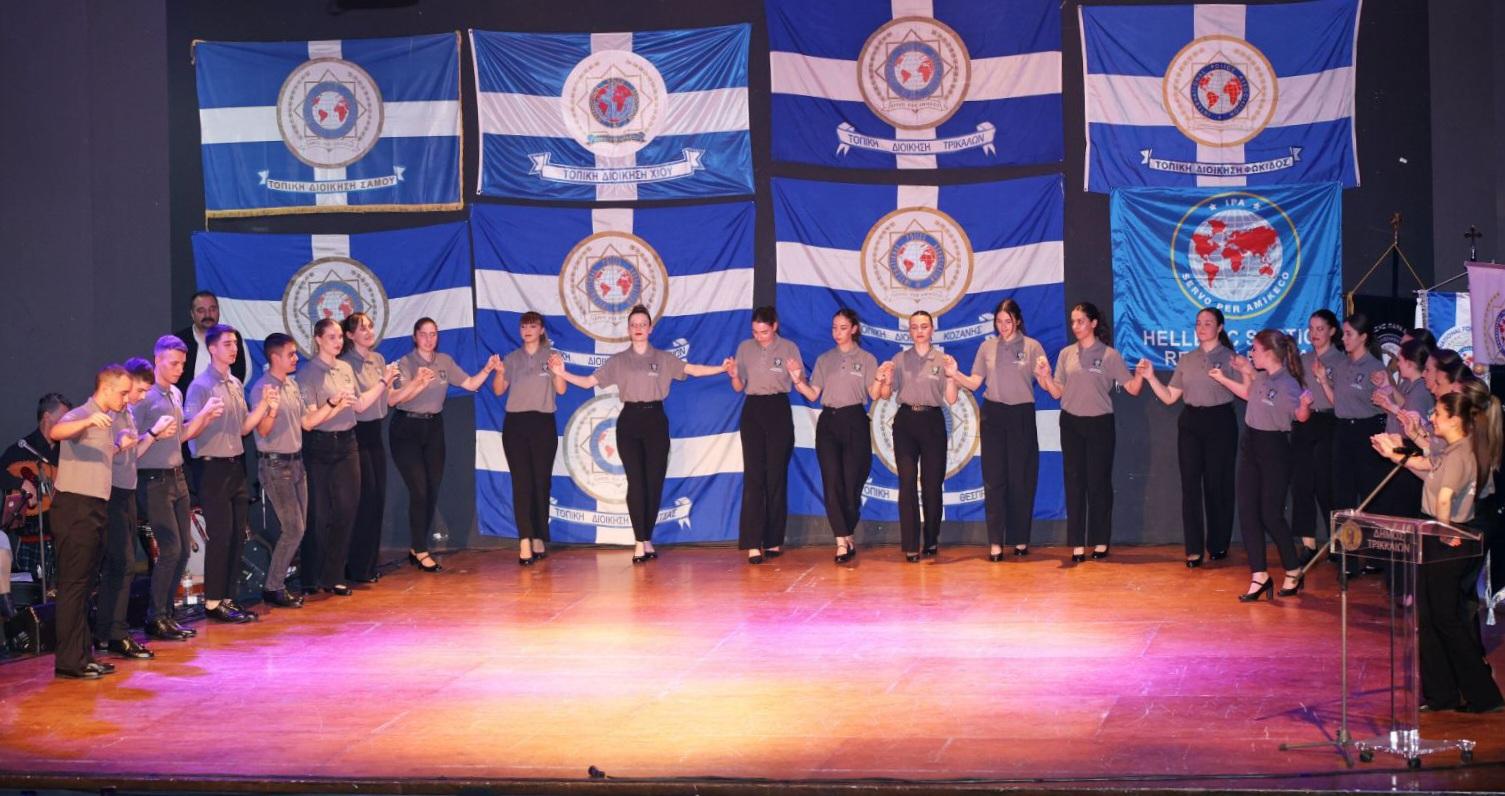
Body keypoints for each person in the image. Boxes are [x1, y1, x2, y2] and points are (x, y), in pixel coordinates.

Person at [550, 305, 732, 563]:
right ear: (628, 329)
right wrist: (562, 373)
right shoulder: (618, 361)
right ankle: (638, 541)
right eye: (634, 325)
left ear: (650, 328)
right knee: (636, 482)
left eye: (642, 324)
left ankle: (647, 538)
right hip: (630, 423)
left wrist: (721, 369)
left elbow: (693, 370)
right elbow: (589, 382)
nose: (638, 328)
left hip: (656, 421)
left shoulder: (663, 358)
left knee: (654, 484)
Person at [1372, 392, 1505, 713]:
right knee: (1431, 618)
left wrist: (1443, 532)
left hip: (1447, 541)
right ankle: (1441, 694)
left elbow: (1445, 497)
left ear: (1455, 420)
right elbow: (1431, 472)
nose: (1431, 418)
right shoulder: (1456, 449)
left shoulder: (1461, 453)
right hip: (1442, 537)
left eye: (1437, 414)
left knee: (1445, 619)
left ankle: (1483, 696)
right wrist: (1396, 455)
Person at [1034, 302, 1146, 562]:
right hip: (1071, 424)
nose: (1075, 326)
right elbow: (1057, 392)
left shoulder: (1109, 355)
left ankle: (1100, 541)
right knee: (1074, 483)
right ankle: (1077, 544)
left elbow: (1132, 388)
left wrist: (1141, 374)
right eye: (1073, 321)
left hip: (1099, 425)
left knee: (1098, 483)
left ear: (1093, 323)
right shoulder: (1066, 354)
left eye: (1081, 321)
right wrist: (1046, 377)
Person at [389, 317, 500, 572]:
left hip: (433, 427)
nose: (429, 339)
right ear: (415, 337)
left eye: (433, 334)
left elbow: (470, 384)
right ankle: (421, 549)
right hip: (406, 428)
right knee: (419, 490)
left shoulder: (444, 361)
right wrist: (418, 382)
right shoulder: (405, 363)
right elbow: (395, 400)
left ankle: (417, 546)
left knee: (431, 488)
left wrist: (487, 369)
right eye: (424, 334)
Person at [1210, 331, 1313, 602]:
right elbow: (1247, 393)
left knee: (1271, 514)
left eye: (1255, 349)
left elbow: (1300, 416)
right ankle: (1259, 575)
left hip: (1274, 449)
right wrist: (1224, 379)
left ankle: (1293, 569)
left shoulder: (1288, 383)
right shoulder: (1262, 377)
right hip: (1250, 445)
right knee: (1247, 512)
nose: (1251, 353)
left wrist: (1305, 406)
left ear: (1268, 353)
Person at [47, 365, 132, 678]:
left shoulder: (105, 420)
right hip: (75, 508)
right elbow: (56, 432)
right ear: (106, 388)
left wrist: (119, 445)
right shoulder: (83, 414)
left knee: (85, 586)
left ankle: (82, 656)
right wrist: (87, 420)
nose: (126, 399)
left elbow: (95, 455)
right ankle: (69, 662)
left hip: (94, 508)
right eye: (123, 393)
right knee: (73, 586)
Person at [301, 318, 395, 597]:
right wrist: (333, 405)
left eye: (340, 337)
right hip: (319, 446)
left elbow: (361, 404)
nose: (338, 342)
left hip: (348, 443)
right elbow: (309, 421)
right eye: (331, 337)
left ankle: (335, 575)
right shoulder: (308, 373)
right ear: (318, 339)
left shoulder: (344, 368)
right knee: (319, 515)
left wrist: (384, 382)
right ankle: (311, 577)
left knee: (347, 510)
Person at [1141, 307, 1240, 568]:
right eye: (1198, 323)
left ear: (1219, 327)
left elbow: (1246, 391)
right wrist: (1151, 377)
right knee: (1190, 486)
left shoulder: (1231, 358)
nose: (1202, 327)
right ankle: (1193, 549)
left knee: (1217, 485)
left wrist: (1232, 377)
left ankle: (1218, 544)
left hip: (1220, 422)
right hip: (1191, 423)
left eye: (1208, 323)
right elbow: (1170, 397)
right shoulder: (1187, 359)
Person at [184, 324, 269, 623]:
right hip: (212, 467)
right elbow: (189, 431)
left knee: (236, 535)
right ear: (212, 348)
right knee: (220, 535)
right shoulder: (200, 386)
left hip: (235, 465)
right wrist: (205, 414)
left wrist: (264, 406)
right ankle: (213, 601)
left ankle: (229, 598)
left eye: (235, 344)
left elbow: (243, 428)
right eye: (227, 344)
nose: (233, 349)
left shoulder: (234, 383)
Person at [92, 358, 175, 661]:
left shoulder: (126, 412)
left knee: (122, 565)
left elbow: (133, 454)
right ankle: (115, 633)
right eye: (137, 390)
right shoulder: (109, 414)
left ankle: (107, 633)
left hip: (126, 492)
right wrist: (120, 445)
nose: (139, 397)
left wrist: (151, 436)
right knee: (122, 564)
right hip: (111, 494)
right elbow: (102, 454)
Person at [134, 336, 215, 641]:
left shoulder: (176, 394)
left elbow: (179, 435)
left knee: (181, 551)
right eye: (174, 363)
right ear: (157, 360)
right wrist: (153, 433)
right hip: (153, 479)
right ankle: (156, 617)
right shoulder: (144, 396)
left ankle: (166, 613)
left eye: (182, 363)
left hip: (177, 476)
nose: (180, 369)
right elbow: (130, 443)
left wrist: (204, 416)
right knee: (169, 548)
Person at [954, 298, 1048, 561]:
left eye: (1008, 321)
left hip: (1021, 415)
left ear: (1017, 320)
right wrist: (954, 373)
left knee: (1021, 479)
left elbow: (1044, 382)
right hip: (993, 415)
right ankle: (995, 542)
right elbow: (974, 383)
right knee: (994, 479)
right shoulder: (987, 347)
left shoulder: (1032, 346)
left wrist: (1045, 374)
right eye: (999, 321)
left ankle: (1020, 539)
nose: (1003, 326)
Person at [792, 308, 881, 564]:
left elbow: (874, 394)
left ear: (854, 329)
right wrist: (798, 381)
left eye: (843, 328)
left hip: (855, 420)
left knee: (852, 484)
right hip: (828, 423)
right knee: (831, 482)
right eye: (834, 328)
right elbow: (813, 394)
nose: (837, 333)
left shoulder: (866, 358)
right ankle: (841, 540)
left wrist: (880, 378)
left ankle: (848, 532)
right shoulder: (825, 359)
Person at [873, 310, 961, 562]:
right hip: (905, 423)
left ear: (932, 329)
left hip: (932, 422)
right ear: (909, 331)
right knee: (908, 482)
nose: (919, 331)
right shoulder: (899, 359)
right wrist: (886, 380)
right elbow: (885, 395)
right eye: (914, 327)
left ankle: (931, 539)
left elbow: (951, 399)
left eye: (924, 326)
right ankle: (911, 545)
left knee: (932, 485)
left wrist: (951, 376)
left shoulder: (943, 359)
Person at [1312, 313, 1388, 575]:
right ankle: (1348, 559)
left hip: (1367, 431)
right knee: (1342, 496)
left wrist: (1385, 388)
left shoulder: (1375, 367)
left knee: (1369, 495)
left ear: (1363, 337)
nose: (1343, 339)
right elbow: (1338, 403)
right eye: (1343, 333)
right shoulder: (1343, 365)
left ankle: (1376, 557)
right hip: (1342, 431)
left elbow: (1384, 405)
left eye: (1348, 334)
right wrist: (1323, 380)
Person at [727, 306, 804, 565]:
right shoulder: (745, 348)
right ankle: (752, 543)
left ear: (775, 326)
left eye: (764, 331)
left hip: (778, 409)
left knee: (776, 477)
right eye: (755, 332)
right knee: (754, 477)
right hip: (753, 409)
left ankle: (773, 540)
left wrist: (796, 375)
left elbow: (800, 382)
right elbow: (738, 387)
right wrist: (734, 375)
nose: (759, 336)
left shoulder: (789, 348)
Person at [494, 311, 564, 566]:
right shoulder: (512, 358)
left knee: (541, 483)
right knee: (521, 483)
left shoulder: (552, 356)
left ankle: (538, 536)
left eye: (532, 326)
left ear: (541, 330)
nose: (527, 330)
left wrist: (558, 371)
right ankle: (524, 539)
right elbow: (498, 390)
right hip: (516, 425)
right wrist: (499, 372)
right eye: (524, 326)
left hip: (543, 423)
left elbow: (561, 389)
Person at [251, 333, 307, 608]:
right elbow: (261, 430)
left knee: (300, 527)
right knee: (293, 529)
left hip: (297, 462)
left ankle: (278, 582)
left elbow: (305, 420)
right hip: (275, 464)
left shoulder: (292, 385)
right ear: (274, 357)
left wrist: (333, 406)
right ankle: (273, 587)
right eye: (291, 354)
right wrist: (271, 409)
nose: (296, 358)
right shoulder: (262, 388)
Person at [339, 312, 393, 585]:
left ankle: (369, 564)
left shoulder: (378, 359)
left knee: (377, 500)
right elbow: (359, 404)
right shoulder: (345, 364)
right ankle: (355, 565)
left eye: (370, 326)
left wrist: (416, 384)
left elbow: (389, 398)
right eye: (362, 328)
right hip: (356, 434)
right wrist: (384, 381)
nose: (369, 331)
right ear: (350, 335)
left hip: (375, 433)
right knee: (362, 500)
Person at [1291, 310, 1345, 561]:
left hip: (1329, 422)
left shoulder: (1341, 361)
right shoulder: (1303, 360)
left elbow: (1342, 401)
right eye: (1311, 329)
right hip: (1305, 422)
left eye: (1320, 329)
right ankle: (1308, 544)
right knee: (1302, 484)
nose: (1314, 334)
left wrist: (1324, 380)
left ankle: (1336, 543)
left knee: (1326, 485)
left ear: (1332, 331)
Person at [1371, 338, 1434, 517]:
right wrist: (1387, 393)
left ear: (1410, 363)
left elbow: (1411, 420)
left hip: (1412, 445)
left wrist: (1391, 406)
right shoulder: (1407, 384)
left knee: (1404, 503)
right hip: (1403, 443)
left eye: (1400, 360)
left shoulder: (1420, 390)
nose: (1397, 364)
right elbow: (1402, 406)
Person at [0, 393, 70, 514]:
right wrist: (21, 484)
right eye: (64, 419)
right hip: (28, 523)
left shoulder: (66, 452)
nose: (68, 424)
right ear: (47, 417)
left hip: (59, 521)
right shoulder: (24, 448)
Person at [172, 291, 247, 389]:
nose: (207, 315)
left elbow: (241, 372)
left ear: (218, 311)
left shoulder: (232, 336)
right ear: (192, 314)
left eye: (212, 309)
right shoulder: (179, 341)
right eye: (201, 311)